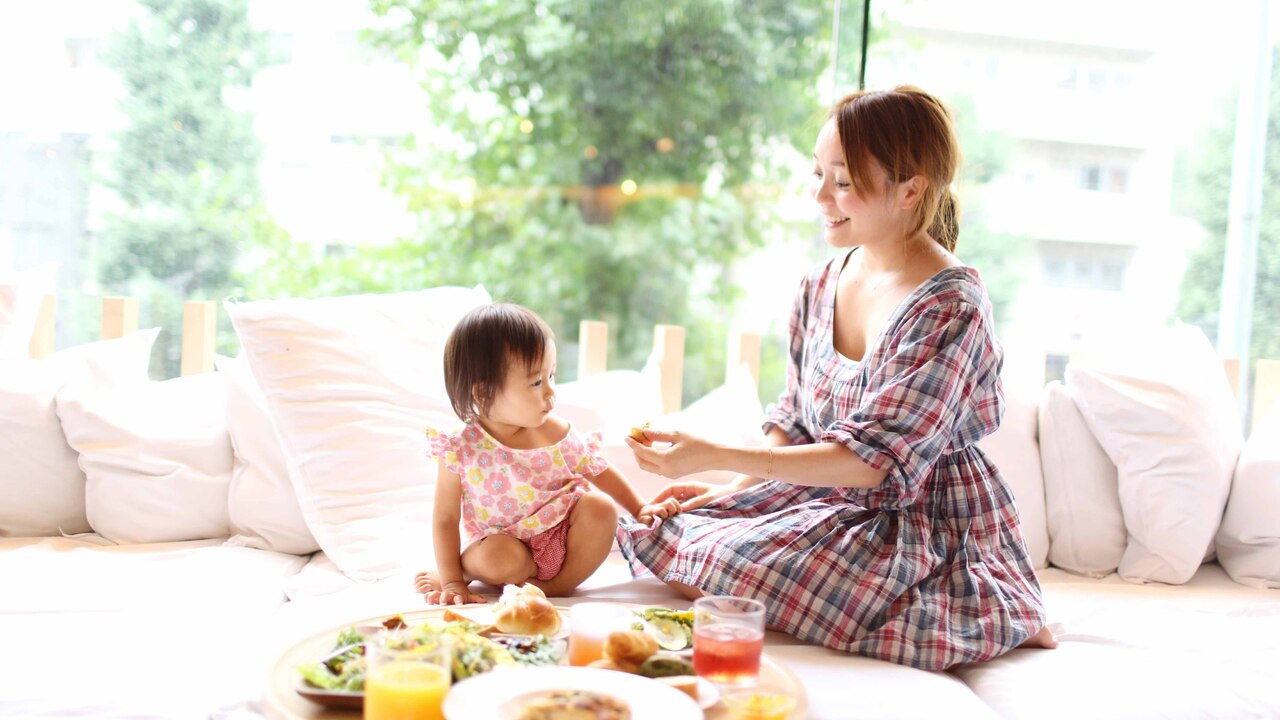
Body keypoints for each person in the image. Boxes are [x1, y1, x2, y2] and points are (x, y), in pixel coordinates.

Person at [619, 85, 1056, 670]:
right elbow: (796, 421)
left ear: (910, 190)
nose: (820, 195)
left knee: (733, 572)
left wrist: (716, 454)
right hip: (823, 493)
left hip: (918, 520)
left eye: (843, 181)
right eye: (818, 173)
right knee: (671, 536)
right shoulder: (819, 283)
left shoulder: (951, 305)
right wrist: (729, 490)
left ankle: (992, 615)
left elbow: (873, 464)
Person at [414, 302, 681, 605]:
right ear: (484, 392)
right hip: (505, 545)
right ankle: (461, 573)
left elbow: (599, 470)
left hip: (563, 538)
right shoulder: (461, 450)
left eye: (551, 376)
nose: (551, 392)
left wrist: (639, 508)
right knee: (497, 557)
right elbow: (445, 519)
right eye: (536, 382)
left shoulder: (557, 432)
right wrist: (450, 583)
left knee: (601, 508)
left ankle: (558, 585)